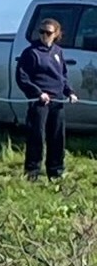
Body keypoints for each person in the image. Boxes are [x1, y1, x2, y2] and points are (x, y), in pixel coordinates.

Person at [16, 18, 78, 181]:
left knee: (57, 136)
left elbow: (62, 76)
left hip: (57, 101)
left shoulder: (58, 52)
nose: (44, 35)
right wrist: (37, 93)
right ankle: (32, 172)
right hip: (40, 101)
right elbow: (22, 77)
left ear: (56, 34)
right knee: (37, 135)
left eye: (48, 33)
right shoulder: (31, 53)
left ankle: (55, 171)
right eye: (41, 32)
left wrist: (69, 92)